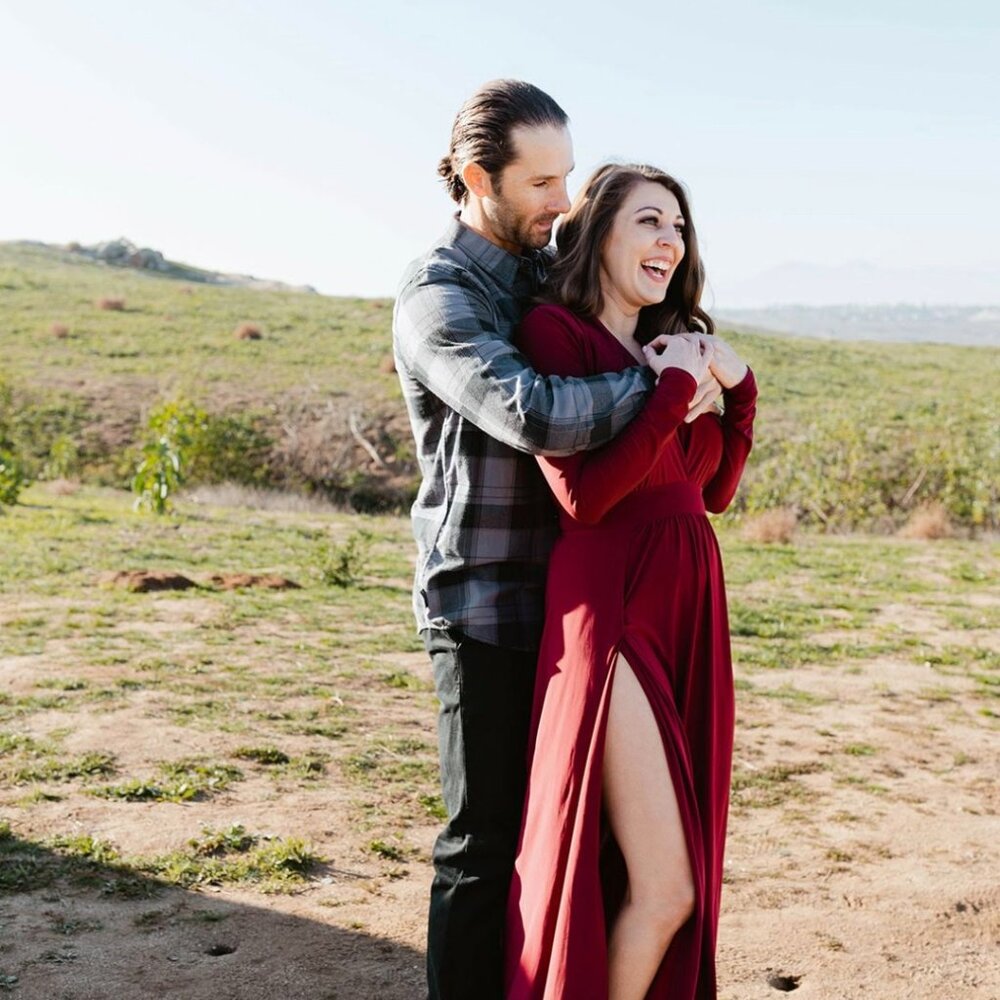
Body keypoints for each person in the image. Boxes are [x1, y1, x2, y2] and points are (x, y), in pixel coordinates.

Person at [393, 83, 720, 1000]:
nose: (563, 200)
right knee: (485, 842)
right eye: (541, 182)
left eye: (567, 176)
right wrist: (662, 384)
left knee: (585, 845)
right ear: (476, 178)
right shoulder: (437, 296)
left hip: (584, 605)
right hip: (486, 602)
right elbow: (530, 411)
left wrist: (702, 377)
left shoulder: (549, 277)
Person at [503, 163, 757, 1000]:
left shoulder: (668, 341)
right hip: (613, 608)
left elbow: (712, 493)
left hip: (688, 604)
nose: (668, 241)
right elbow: (584, 498)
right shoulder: (557, 335)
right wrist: (676, 386)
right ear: (598, 232)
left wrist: (740, 390)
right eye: (649, 221)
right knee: (666, 888)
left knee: (672, 879)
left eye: (678, 227)